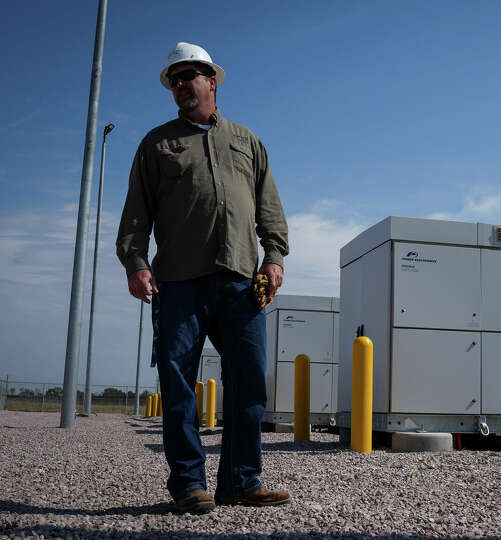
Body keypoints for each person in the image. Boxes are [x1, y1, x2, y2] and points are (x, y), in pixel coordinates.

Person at [116, 42, 291, 514]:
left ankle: (240, 480)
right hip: (178, 282)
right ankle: (190, 484)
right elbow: (136, 212)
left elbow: (269, 208)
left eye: (189, 75)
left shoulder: (247, 141)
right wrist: (136, 262)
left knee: (249, 383)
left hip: (240, 281)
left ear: (212, 80)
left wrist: (273, 257)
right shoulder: (156, 144)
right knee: (178, 386)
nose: (180, 84)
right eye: (174, 79)